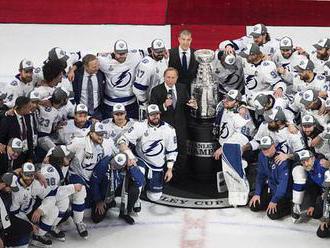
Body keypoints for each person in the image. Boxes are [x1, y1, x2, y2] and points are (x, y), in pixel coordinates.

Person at [118, 104, 177, 201]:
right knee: (138, 178)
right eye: (152, 114)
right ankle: (134, 202)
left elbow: (172, 151)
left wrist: (169, 169)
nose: (155, 117)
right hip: (140, 159)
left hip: (156, 165)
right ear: (147, 116)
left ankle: (147, 185)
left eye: (157, 114)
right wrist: (130, 156)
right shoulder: (139, 125)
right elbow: (122, 140)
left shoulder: (169, 130)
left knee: (154, 197)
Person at [149, 67, 197, 177]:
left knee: (182, 151)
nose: (170, 80)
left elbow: (187, 104)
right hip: (165, 127)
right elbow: (152, 110)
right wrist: (164, 105)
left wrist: (193, 105)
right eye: (168, 77)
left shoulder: (182, 88)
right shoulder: (156, 90)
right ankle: (164, 175)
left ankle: (179, 175)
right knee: (165, 151)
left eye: (173, 77)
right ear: (164, 77)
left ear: (177, 78)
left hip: (180, 126)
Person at [66, 122, 107, 239]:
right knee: (80, 189)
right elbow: (63, 151)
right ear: (91, 133)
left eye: (102, 134)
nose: (100, 137)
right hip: (75, 174)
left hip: (90, 178)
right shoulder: (79, 142)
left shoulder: (103, 145)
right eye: (98, 134)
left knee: (92, 210)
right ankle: (79, 222)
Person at [9, 162, 59, 247]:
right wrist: (30, 225)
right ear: (21, 173)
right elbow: (14, 213)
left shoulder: (35, 183)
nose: (29, 178)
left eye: (31, 175)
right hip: (17, 217)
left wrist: (41, 210)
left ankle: (38, 236)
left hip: (30, 211)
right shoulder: (15, 189)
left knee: (54, 210)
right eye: (26, 174)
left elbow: (51, 197)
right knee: (23, 241)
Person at [89, 153, 144, 224]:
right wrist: (98, 200)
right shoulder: (103, 164)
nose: (112, 166)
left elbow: (140, 182)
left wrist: (132, 168)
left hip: (119, 188)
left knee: (134, 189)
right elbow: (94, 182)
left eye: (116, 166)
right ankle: (110, 202)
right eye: (113, 163)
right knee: (96, 218)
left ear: (124, 165)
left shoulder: (129, 165)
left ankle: (126, 212)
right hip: (106, 191)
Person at [98, 40, 144, 119]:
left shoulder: (135, 56)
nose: (121, 56)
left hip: (130, 104)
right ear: (114, 52)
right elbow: (86, 58)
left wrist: (165, 52)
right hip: (110, 104)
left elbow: (150, 51)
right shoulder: (104, 61)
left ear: (127, 52)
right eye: (119, 53)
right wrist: (73, 68)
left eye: (123, 53)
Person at [249, 136, 291, 220]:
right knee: (254, 205)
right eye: (263, 148)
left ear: (273, 146)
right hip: (271, 189)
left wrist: (274, 200)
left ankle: (289, 207)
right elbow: (260, 175)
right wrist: (257, 193)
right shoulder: (261, 155)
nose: (265, 151)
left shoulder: (281, 160)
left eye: (267, 148)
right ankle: (269, 202)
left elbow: (283, 185)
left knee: (272, 214)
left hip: (283, 193)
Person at [292, 150, 330, 223]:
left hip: (327, 193)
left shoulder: (322, 164)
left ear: (313, 158)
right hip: (324, 193)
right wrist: (312, 205)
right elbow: (313, 188)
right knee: (315, 213)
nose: (305, 164)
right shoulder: (309, 171)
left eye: (307, 160)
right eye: (303, 162)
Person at [133, 39, 168, 109]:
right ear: (152, 50)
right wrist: (145, 103)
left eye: (162, 51)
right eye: (157, 52)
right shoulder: (146, 66)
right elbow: (137, 89)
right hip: (149, 103)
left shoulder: (163, 59)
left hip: (161, 101)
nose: (160, 53)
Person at [0, 96, 35, 161]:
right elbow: (2, 139)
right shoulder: (8, 119)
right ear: (23, 108)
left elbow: (29, 137)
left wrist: (30, 156)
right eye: (29, 106)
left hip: (25, 153)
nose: (31, 108)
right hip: (12, 155)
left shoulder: (28, 116)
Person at [72, 54, 105, 119]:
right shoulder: (77, 75)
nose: (97, 68)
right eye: (94, 67)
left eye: (97, 66)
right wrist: (72, 70)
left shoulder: (101, 74)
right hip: (81, 112)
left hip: (97, 111)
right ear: (85, 66)